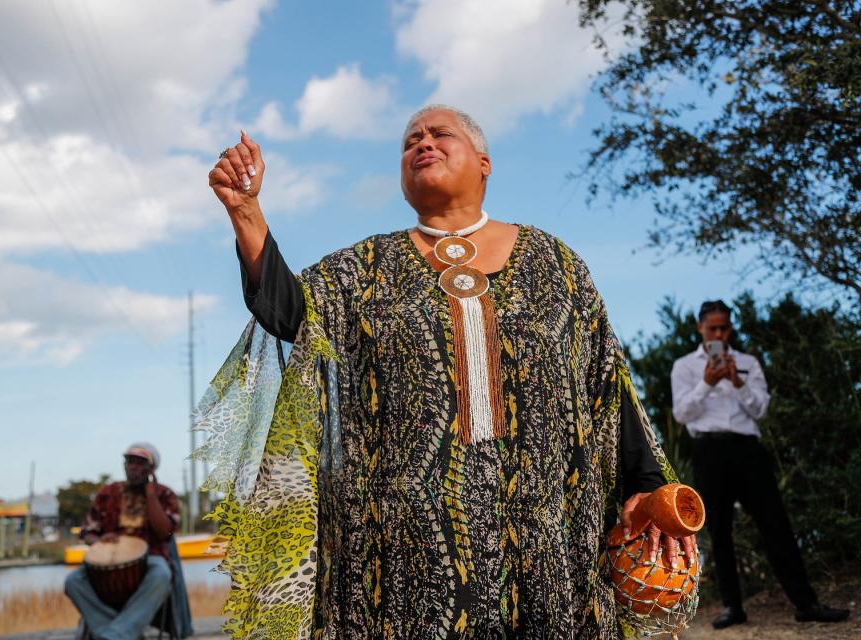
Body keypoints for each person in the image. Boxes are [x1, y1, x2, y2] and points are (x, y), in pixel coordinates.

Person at [200, 105, 698, 639]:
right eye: (410, 140)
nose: (423, 143)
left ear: (483, 162)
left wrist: (649, 483)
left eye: (441, 134)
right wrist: (246, 212)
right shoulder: (362, 270)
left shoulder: (557, 264)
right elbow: (288, 312)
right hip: (404, 547)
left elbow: (607, 382)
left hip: (547, 534)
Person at [671, 300, 850, 629]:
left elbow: (761, 409)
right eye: (713, 328)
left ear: (730, 328)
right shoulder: (684, 367)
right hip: (709, 450)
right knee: (719, 530)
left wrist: (737, 383)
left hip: (748, 450)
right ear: (700, 328)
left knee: (776, 524)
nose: (719, 333)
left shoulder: (748, 363)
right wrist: (707, 383)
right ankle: (732, 606)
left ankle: (806, 602)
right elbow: (681, 414)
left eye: (724, 327)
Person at [64, 442, 192, 639]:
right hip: (109, 559)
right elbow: (87, 531)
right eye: (129, 461)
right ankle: (120, 631)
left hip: (151, 558)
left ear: (151, 468)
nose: (133, 466)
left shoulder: (164, 494)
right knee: (73, 581)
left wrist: (151, 495)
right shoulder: (109, 492)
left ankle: (113, 635)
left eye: (139, 463)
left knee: (162, 574)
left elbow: (165, 533)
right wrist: (98, 541)